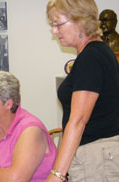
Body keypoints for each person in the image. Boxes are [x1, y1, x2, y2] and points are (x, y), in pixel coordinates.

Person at [46, 0, 119, 182]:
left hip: (95, 158)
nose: (54, 31)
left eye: (58, 24)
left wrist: (56, 175)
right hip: (96, 157)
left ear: (79, 21)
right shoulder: (95, 53)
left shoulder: (91, 57)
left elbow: (78, 121)